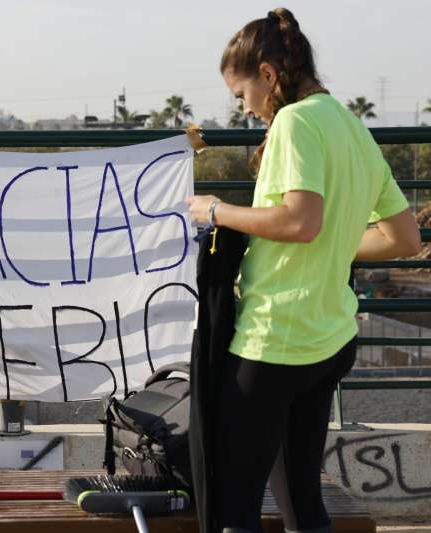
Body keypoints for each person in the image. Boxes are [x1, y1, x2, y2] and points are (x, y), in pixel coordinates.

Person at [186, 9, 421, 533]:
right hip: (329, 341)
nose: (245, 109)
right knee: (302, 501)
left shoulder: (293, 122)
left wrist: (214, 211)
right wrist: (336, 246)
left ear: (269, 75)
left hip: (273, 342)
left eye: (242, 93)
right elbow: (405, 238)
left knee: (233, 507)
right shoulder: (349, 126)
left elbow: (299, 220)